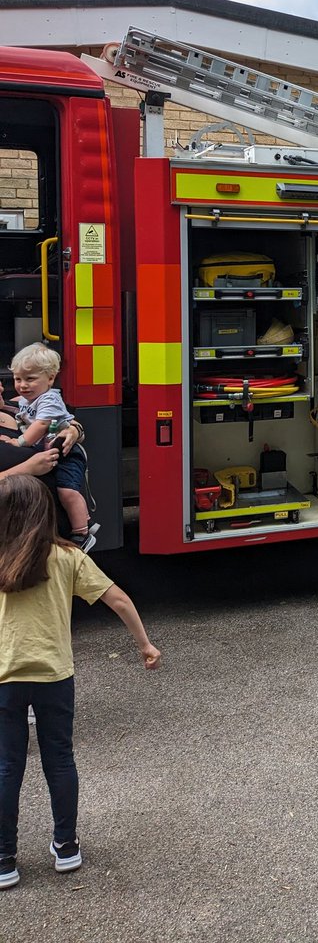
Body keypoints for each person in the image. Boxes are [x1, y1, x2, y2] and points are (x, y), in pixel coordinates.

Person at [0, 475, 160, 890]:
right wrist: (144, 645)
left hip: (4, 676)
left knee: (5, 766)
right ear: (46, 512)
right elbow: (118, 598)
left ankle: (4, 860)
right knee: (59, 758)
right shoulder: (67, 556)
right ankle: (66, 846)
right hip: (54, 675)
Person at [3, 344, 96, 549]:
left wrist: (73, 430)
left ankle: (82, 532)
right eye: (18, 379)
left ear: (51, 378)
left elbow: (48, 423)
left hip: (65, 458)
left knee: (67, 490)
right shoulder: (30, 400)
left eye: (29, 379)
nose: (6, 387)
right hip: (17, 535)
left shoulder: (37, 401)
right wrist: (27, 468)